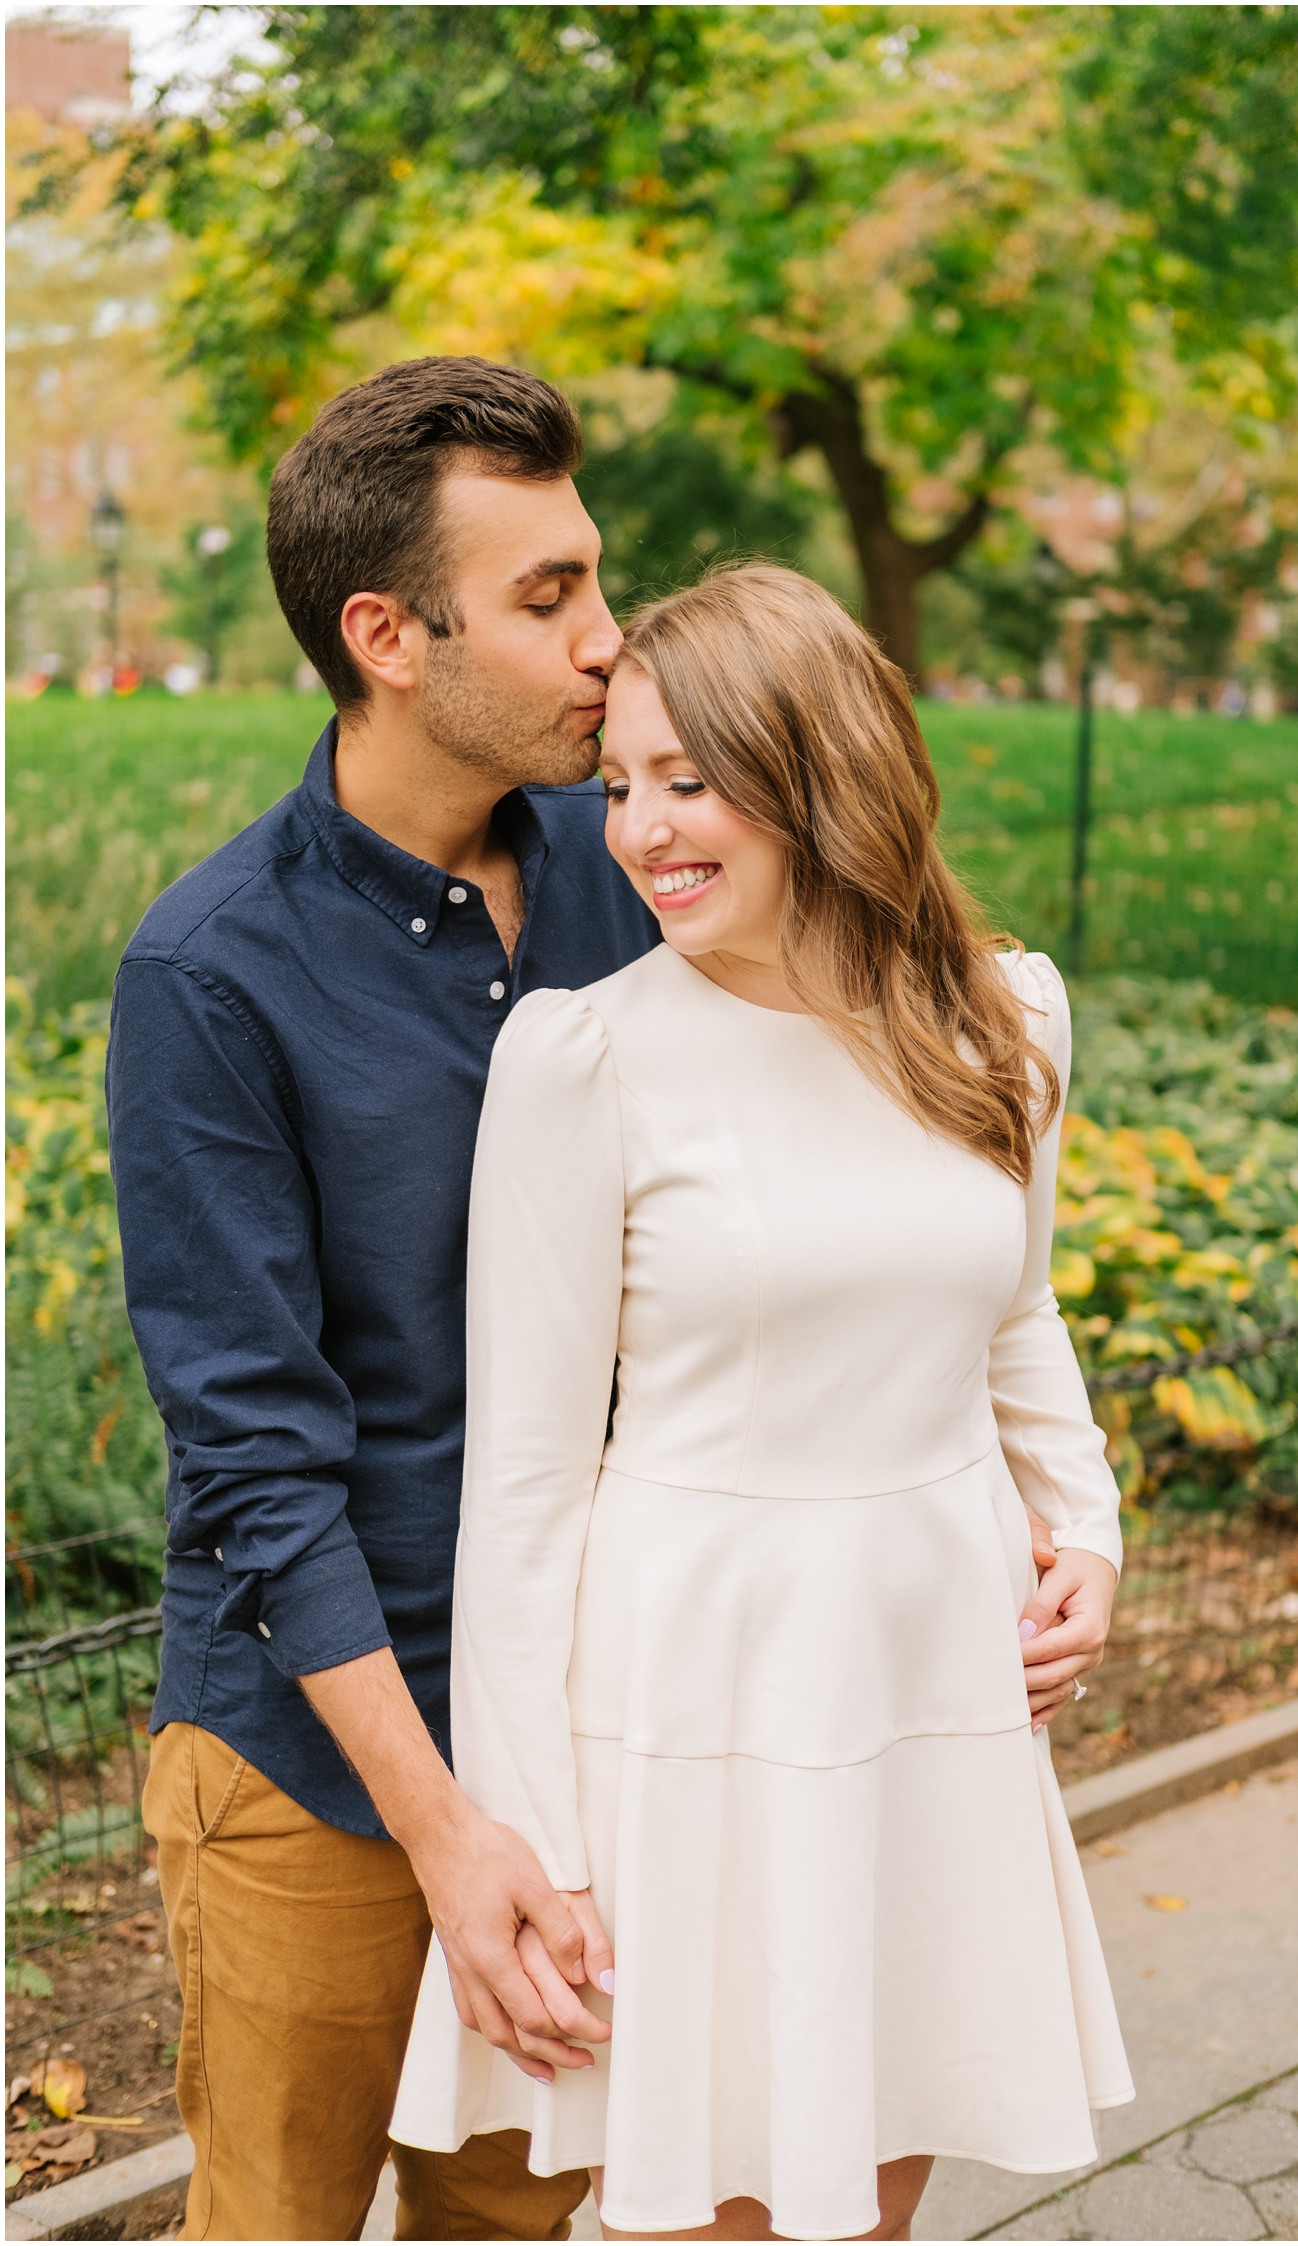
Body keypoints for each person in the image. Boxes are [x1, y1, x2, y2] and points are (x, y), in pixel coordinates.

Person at [107, 357, 1066, 2241]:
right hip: (319, 1755)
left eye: (595, 577)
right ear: (389, 633)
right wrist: (458, 1829)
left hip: (615, 1728)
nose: (605, 641)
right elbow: (259, 1461)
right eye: (547, 597)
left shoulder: (648, 860)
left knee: (529, 2219)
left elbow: (883, 1135)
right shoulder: (213, 975)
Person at [391, 565, 1135, 2241]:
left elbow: (1015, 1307)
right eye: (620, 784)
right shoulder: (587, 1061)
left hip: (923, 1671)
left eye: (691, 779)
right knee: (703, 2204)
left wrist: (1084, 1524)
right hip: (688, 1696)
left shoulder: (1004, 1015)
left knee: (874, 2186)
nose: (641, 830)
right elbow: (522, 1485)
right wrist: (539, 1845)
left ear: (819, 774)